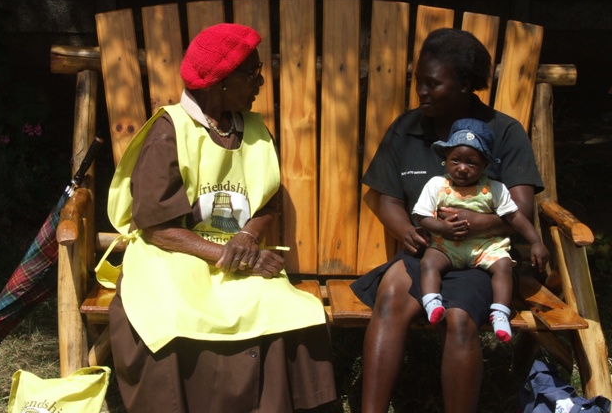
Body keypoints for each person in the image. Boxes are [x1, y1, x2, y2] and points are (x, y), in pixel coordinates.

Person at [106, 23, 337, 412]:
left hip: (237, 248)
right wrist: (228, 255)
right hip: (173, 250)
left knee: (276, 301)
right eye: (252, 73)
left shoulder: (255, 130)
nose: (261, 81)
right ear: (219, 82)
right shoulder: (169, 131)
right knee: (173, 311)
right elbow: (157, 226)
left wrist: (247, 239)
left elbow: (268, 203)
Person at [350, 28, 544, 413]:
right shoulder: (407, 128)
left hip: (483, 259)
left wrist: (472, 226)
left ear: (465, 85)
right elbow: (383, 196)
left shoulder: (504, 131)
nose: (420, 91)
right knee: (391, 294)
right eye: (418, 81)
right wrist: (406, 229)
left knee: (458, 318)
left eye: (432, 84)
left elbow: (520, 208)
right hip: (429, 252)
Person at [412, 118, 549, 342]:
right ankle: (432, 302)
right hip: (446, 246)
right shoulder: (437, 185)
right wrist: (442, 227)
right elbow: (421, 215)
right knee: (429, 262)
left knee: (504, 265)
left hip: (484, 247)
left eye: (472, 163)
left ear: (485, 165)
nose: (462, 169)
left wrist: (535, 241)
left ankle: (500, 313)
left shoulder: (495, 189)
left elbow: (514, 217)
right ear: (446, 159)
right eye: (455, 160)